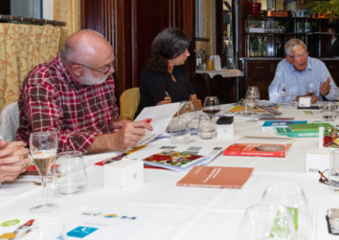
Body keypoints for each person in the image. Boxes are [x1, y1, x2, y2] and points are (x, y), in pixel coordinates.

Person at [17, 29, 152, 154]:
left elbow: (108, 117)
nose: (111, 70)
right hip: (54, 165)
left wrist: (113, 125)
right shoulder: (42, 81)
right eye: (105, 66)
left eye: (111, 62)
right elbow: (47, 141)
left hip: (99, 156)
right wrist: (113, 140)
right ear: (78, 70)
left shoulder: (102, 75)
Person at [136, 28, 202, 116]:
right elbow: (164, 111)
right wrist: (188, 106)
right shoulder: (152, 71)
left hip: (178, 122)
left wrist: (181, 108)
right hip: (149, 123)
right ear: (171, 51)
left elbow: (196, 101)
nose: (188, 54)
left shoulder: (179, 68)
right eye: (184, 50)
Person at [268, 39, 338, 103]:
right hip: (292, 111)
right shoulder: (283, 66)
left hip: (314, 112)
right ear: (289, 59)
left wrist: (327, 92)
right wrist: (297, 98)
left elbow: (337, 94)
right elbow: (273, 95)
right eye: (298, 56)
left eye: (304, 53)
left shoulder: (319, 65)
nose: (303, 59)